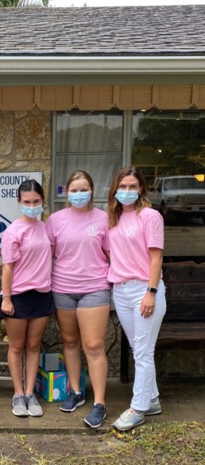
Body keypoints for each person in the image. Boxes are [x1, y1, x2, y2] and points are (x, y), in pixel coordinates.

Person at [46, 170, 111, 428]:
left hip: (94, 288)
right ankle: (75, 391)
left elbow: (111, 253)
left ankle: (99, 404)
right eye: (74, 190)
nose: (79, 194)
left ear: (92, 191)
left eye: (83, 189)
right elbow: (48, 254)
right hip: (62, 288)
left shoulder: (104, 219)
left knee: (94, 345)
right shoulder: (55, 220)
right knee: (70, 341)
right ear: (66, 193)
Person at [107, 166, 166, 431]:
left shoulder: (149, 216)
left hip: (144, 289)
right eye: (123, 186)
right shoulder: (114, 218)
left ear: (141, 188)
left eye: (132, 186)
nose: (127, 191)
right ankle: (152, 399)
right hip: (120, 289)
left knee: (143, 351)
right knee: (138, 349)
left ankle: (138, 408)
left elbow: (156, 257)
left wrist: (151, 293)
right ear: (115, 189)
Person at [0, 179, 54, 418]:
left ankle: (31, 393)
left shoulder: (47, 227)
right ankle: (18, 394)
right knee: (17, 346)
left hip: (42, 296)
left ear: (43, 201)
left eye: (36, 201)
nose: (32, 206)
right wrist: (7, 299)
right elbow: (7, 268)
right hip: (18, 297)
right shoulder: (13, 232)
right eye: (27, 202)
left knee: (33, 346)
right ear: (19, 203)